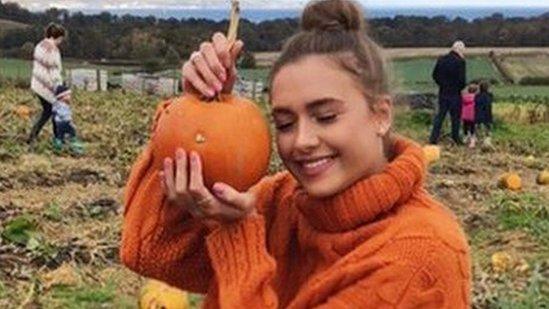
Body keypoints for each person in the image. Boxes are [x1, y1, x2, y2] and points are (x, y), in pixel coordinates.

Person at [120, 0, 471, 307]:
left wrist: (238, 236)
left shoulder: (422, 254)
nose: (302, 140)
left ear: (380, 115)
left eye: (326, 116)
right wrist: (189, 115)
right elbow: (150, 250)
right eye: (285, 123)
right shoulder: (280, 202)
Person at [27, 23, 66, 145]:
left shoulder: (40, 45)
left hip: (37, 83)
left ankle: (35, 135)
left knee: (49, 111)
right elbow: (54, 71)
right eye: (61, 39)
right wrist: (59, 87)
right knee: (54, 111)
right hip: (47, 86)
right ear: (58, 37)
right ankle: (57, 139)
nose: (61, 41)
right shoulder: (53, 50)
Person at [429, 40, 467, 145]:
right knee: (455, 117)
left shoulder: (441, 59)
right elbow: (462, 80)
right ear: (460, 50)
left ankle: (433, 138)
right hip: (455, 93)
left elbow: (434, 75)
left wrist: (442, 84)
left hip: (443, 92)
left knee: (440, 116)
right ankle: (455, 138)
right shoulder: (460, 62)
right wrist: (459, 88)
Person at [51, 85, 84, 155]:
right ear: (62, 97)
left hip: (58, 123)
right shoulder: (63, 106)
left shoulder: (56, 104)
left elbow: (54, 112)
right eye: (68, 95)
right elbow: (64, 115)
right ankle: (74, 146)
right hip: (65, 122)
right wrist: (70, 122)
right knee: (72, 132)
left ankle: (58, 145)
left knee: (60, 135)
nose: (70, 97)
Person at [475, 80, 494, 148]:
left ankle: (478, 140)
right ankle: (487, 141)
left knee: (478, 128)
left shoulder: (477, 96)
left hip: (478, 114)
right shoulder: (490, 96)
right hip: (487, 114)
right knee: (488, 128)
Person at [461, 84, 478, 148]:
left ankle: (465, 137)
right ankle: (472, 139)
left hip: (465, 116)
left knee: (465, 126)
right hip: (473, 116)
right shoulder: (476, 98)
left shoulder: (464, 97)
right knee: (472, 128)